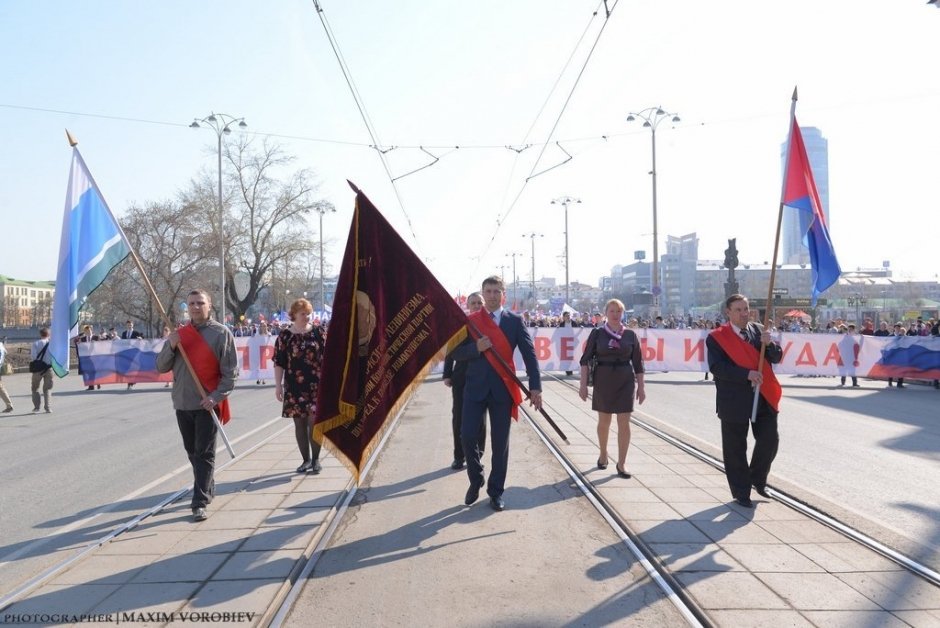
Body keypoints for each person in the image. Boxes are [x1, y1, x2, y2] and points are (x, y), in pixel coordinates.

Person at [450, 276, 541, 512]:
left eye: (496, 291)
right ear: (482, 293)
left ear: (503, 294)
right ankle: (476, 477)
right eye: (488, 291)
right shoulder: (470, 321)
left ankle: (496, 491)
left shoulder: (514, 321)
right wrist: (475, 348)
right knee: (467, 435)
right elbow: (455, 352)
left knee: (500, 444)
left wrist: (535, 386)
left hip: (502, 388)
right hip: (474, 389)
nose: (491, 295)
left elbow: (529, 354)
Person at [156, 289, 238, 522]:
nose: (195, 307)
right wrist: (171, 345)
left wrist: (216, 396)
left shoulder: (221, 334)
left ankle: (199, 501)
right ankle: (207, 486)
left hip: (207, 404)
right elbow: (161, 367)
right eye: (191, 303)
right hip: (183, 403)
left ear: (209, 305)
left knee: (204, 452)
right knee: (192, 452)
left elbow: (230, 373)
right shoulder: (178, 335)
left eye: (200, 303)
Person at [706, 294, 783, 509]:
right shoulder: (716, 338)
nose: (743, 313)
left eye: (746, 309)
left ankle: (757, 479)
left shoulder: (759, 331)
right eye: (738, 310)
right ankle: (741, 492)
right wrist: (745, 374)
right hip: (734, 399)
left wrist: (770, 345)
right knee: (735, 448)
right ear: (728, 312)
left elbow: (776, 357)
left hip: (763, 396)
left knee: (770, 440)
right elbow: (717, 368)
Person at [578, 298, 645, 478]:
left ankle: (622, 463)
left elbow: (638, 363)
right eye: (612, 311)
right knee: (604, 421)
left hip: (625, 380)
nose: (616, 315)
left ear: (623, 314)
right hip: (604, 379)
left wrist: (641, 388)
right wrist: (582, 385)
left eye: (619, 311)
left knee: (624, 422)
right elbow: (584, 360)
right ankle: (603, 453)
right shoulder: (598, 333)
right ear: (606, 313)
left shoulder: (630, 335)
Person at [274, 298, 326, 474]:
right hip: (294, 387)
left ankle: (316, 459)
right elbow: (279, 362)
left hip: (316, 386)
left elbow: (329, 357)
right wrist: (278, 386)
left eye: (308, 313)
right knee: (300, 424)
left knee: (315, 423)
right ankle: (306, 460)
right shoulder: (285, 336)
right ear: (294, 315)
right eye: (303, 313)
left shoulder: (319, 332)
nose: (307, 317)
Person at [442, 292, 487, 470]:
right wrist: (447, 373)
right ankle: (459, 456)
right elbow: (451, 350)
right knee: (459, 418)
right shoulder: (461, 325)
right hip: (461, 378)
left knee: (481, 421)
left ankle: (477, 456)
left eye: (479, 303)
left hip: (483, 379)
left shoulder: (489, 325)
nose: (476, 306)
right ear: (468, 306)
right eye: (473, 303)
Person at [30, 327, 54, 413]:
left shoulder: (36, 343)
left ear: (40, 334)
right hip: (49, 368)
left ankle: (37, 408)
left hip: (38, 369)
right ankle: (48, 408)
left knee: (35, 388)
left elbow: (33, 357)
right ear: (49, 334)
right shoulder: (52, 344)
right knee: (47, 389)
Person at [121, 320, 144, 389]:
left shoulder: (136, 333)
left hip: (134, 353)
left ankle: (132, 381)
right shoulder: (124, 333)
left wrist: (141, 338)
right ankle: (129, 382)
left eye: (130, 325)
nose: (129, 326)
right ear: (126, 325)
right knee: (127, 368)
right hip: (127, 353)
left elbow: (142, 338)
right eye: (128, 325)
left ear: (132, 325)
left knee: (133, 368)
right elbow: (121, 342)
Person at [0, 338, 13, 412]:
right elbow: (5, 352)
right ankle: (9, 405)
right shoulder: (1, 345)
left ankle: (9, 405)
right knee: (1, 388)